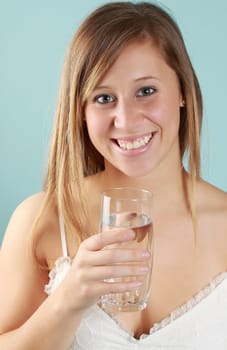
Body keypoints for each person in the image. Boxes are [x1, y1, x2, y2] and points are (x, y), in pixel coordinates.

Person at [0, 1, 227, 349]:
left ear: (182, 90)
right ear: (81, 111)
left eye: (146, 91)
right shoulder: (41, 220)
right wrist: (69, 298)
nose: (125, 119)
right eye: (104, 98)